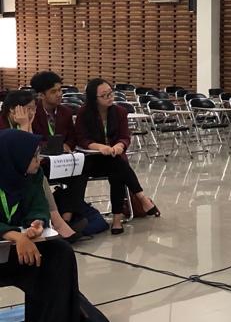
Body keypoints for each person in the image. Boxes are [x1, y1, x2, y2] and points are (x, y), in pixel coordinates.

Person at [0, 129, 82, 322]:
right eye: (34, 156)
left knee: (59, 253)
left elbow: (39, 206)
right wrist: (14, 235)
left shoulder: (32, 176)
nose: (39, 160)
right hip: (10, 243)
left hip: (15, 250)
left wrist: (36, 223)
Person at [76, 79, 159, 235]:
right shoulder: (84, 113)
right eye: (104, 95)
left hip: (113, 157)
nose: (110, 97)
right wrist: (99, 147)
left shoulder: (119, 111)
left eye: (111, 93)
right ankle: (141, 198)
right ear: (94, 98)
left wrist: (120, 145)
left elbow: (125, 136)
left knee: (117, 170)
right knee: (119, 167)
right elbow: (81, 139)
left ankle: (117, 219)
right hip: (92, 159)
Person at [1, 91, 79, 242]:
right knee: (38, 175)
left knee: (71, 173)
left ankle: (57, 218)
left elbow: (31, 150)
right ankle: (57, 221)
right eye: (28, 108)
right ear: (12, 109)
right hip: (6, 171)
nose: (32, 112)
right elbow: (22, 154)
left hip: (24, 170)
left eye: (34, 108)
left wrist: (38, 220)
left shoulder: (31, 121)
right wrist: (25, 125)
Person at [30, 71, 89, 226]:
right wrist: (51, 147)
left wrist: (68, 145)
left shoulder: (65, 112)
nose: (59, 94)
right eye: (53, 91)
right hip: (42, 163)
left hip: (62, 162)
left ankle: (68, 217)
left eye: (60, 90)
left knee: (81, 171)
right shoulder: (32, 113)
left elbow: (73, 137)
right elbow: (30, 138)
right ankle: (56, 218)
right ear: (41, 95)